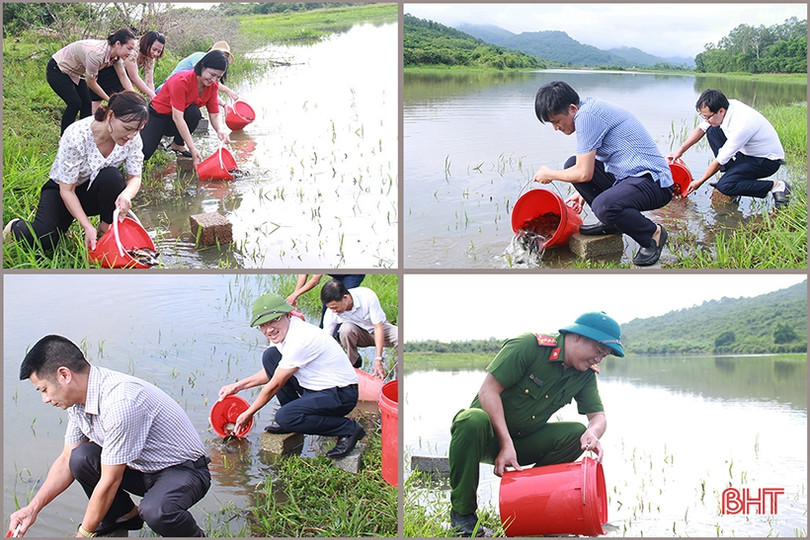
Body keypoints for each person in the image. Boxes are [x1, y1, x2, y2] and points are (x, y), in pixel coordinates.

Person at [8, 335, 211, 537]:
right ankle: (123, 516)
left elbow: (110, 481)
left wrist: (83, 534)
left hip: (184, 471)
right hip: (142, 469)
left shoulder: (120, 402)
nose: (45, 399)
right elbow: (66, 460)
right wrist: (32, 508)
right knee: (80, 458)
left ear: (64, 375)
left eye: (44, 389)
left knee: (156, 511)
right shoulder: (78, 402)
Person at [448, 312, 623, 537]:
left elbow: (598, 416)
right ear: (579, 337)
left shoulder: (584, 374)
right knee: (471, 419)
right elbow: (487, 391)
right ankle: (463, 516)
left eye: (604, 355)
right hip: (486, 438)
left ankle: (528, 503)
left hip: (524, 442)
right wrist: (505, 443)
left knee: (575, 433)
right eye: (598, 351)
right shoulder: (530, 346)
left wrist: (593, 432)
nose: (598, 359)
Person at [532, 81, 673, 267]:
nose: (556, 128)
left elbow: (584, 174)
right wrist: (580, 193)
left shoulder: (586, 116)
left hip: (654, 182)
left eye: (557, 121)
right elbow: (583, 168)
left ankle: (652, 234)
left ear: (572, 108)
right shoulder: (587, 110)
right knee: (572, 163)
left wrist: (549, 174)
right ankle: (612, 224)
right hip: (630, 178)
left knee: (603, 205)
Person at [218, 292, 365, 459]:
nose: (269, 329)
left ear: (287, 315)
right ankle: (294, 420)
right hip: (318, 388)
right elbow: (273, 372)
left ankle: (348, 429)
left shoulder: (300, 338)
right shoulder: (285, 332)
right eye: (263, 325)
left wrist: (249, 412)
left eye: (274, 320)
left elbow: (275, 384)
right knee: (271, 357)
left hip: (341, 394)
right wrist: (237, 386)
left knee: (284, 417)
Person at [4, 91, 148, 252]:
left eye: (138, 130)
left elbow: (135, 176)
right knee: (45, 240)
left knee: (112, 178)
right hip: (63, 191)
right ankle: (15, 227)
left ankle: (106, 229)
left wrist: (126, 194)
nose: (131, 136)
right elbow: (67, 190)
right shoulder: (77, 135)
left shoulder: (133, 138)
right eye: (128, 128)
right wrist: (86, 226)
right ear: (111, 115)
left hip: (92, 191)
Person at [667, 89, 788, 208]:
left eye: (707, 117)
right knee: (712, 130)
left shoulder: (742, 125)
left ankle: (777, 186)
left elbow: (719, 161)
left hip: (765, 161)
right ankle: (730, 175)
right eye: (704, 116)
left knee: (725, 186)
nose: (706, 120)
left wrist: (700, 181)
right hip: (747, 153)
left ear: (721, 111)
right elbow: (701, 129)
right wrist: (680, 150)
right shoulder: (724, 106)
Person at [139, 49, 231, 165]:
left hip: (175, 120)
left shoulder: (212, 86)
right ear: (202, 66)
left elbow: (214, 113)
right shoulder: (181, 80)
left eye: (218, 77)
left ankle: (177, 144)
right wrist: (192, 148)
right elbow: (178, 118)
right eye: (212, 75)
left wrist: (219, 130)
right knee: (144, 154)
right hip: (158, 116)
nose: (214, 80)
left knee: (194, 113)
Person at [47, 28, 137, 134]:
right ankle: (64, 138)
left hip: (75, 72)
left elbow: (123, 76)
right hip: (58, 68)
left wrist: (135, 99)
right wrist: (110, 100)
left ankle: (82, 135)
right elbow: (91, 83)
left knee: (87, 103)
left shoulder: (116, 57)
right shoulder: (97, 55)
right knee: (75, 103)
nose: (131, 53)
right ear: (118, 44)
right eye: (129, 48)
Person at [320, 279, 396, 379]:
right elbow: (326, 338)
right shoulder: (332, 313)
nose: (334, 311)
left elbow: (378, 327)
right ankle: (353, 362)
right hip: (359, 333)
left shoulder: (367, 296)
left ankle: (399, 380)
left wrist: (378, 359)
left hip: (378, 329)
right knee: (345, 329)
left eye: (335, 307)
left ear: (345, 298)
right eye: (330, 308)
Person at [90, 31, 166, 112]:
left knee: (118, 107)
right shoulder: (133, 49)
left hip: (124, 79)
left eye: (159, 51)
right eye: (154, 49)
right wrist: (149, 95)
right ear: (147, 44)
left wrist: (153, 98)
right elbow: (134, 77)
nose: (155, 53)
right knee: (94, 105)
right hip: (110, 73)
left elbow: (150, 82)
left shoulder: (150, 57)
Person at [155, 41, 239, 106]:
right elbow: (208, 78)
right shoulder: (199, 57)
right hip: (167, 89)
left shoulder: (208, 80)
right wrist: (228, 91)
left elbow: (211, 92)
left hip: (185, 93)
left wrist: (224, 105)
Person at [285, 274, 366, 328]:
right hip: (338, 273)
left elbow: (315, 280)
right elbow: (303, 273)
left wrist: (295, 295)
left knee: (340, 306)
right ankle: (324, 332)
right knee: (328, 306)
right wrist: (295, 295)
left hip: (352, 273)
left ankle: (340, 339)